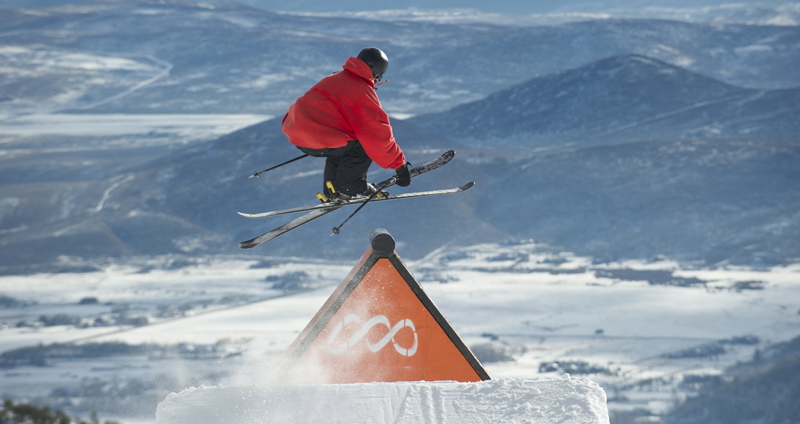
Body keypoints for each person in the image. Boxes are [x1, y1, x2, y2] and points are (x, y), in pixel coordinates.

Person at [281, 47, 411, 201]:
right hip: (317, 136)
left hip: (297, 133)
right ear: (374, 71)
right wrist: (399, 166)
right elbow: (376, 135)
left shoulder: (336, 78)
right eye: (380, 76)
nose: (378, 80)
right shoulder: (360, 91)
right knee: (362, 145)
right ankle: (350, 189)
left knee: (343, 146)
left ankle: (333, 190)